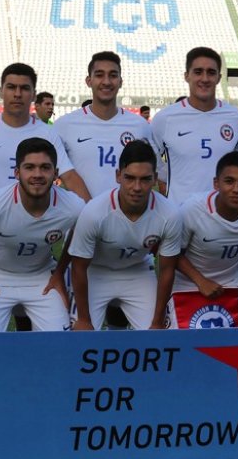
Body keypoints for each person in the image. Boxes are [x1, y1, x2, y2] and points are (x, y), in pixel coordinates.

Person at [0, 138, 85, 332]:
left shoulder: (73, 206)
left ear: (56, 173)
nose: (37, 174)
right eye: (29, 167)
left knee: (60, 341)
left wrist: (59, 272)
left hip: (42, 278)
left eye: (45, 168)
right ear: (16, 172)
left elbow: (80, 230)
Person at [68, 141, 182, 330]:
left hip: (137, 271)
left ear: (155, 178)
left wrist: (157, 321)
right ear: (118, 176)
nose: (137, 187)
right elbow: (78, 267)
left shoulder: (169, 213)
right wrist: (84, 320)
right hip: (96, 272)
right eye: (130, 178)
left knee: (157, 338)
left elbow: (167, 269)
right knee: (79, 336)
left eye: (145, 179)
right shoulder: (94, 212)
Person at [0, 63, 90, 201]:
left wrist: (94, 214)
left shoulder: (47, 133)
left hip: (32, 225)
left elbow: (69, 176)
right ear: (1, 91)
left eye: (25, 88)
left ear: (33, 95)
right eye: (11, 87)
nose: (17, 94)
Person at [169, 151, 238, 329]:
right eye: (229, 181)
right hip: (187, 284)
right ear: (216, 183)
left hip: (231, 284)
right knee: (185, 344)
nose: (236, 189)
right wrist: (201, 281)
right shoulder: (192, 209)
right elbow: (171, 253)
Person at [151, 47, 238, 204]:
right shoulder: (165, 118)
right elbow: (151, 155)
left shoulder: (234, 117)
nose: (205, 78)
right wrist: (165, 176)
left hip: (222, 214)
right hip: (180, 215)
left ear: (219, 77)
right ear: (187, 76)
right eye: (198, 72)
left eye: (211, 72)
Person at [54, 51, 152, 197]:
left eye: (113, 75)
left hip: (127, 218)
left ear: (120, 81)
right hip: (82, 217)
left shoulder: (140, 126)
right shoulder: (64, 126)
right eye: (99, 75)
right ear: (89, 81)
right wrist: (90, 210)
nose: (106, 81)